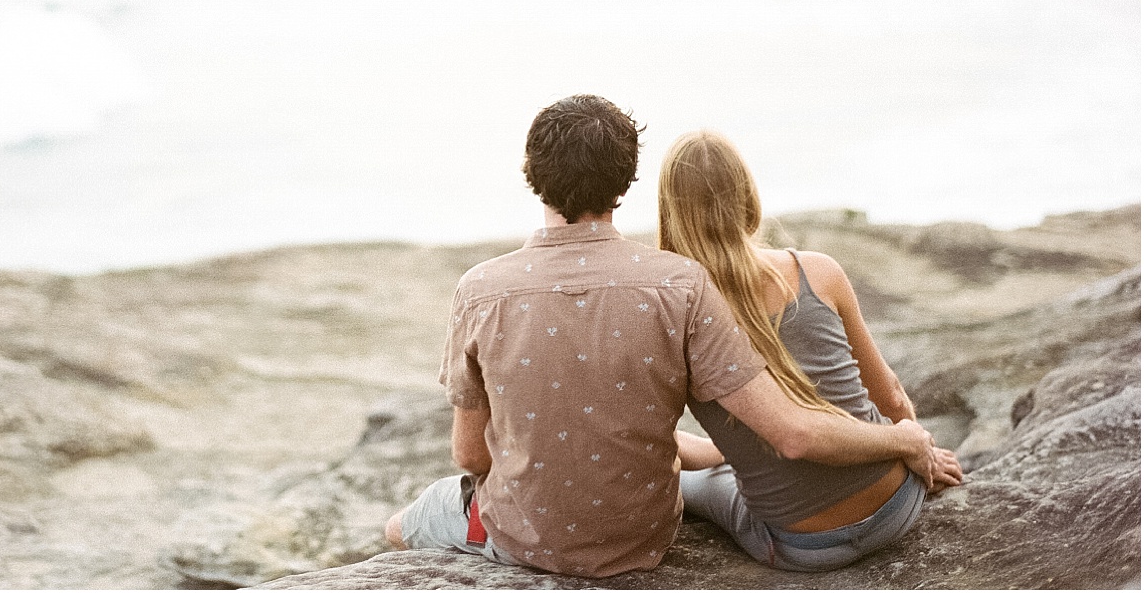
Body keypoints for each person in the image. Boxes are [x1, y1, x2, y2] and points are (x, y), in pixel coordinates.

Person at [384, 95, 947, 579]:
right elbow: (790, 422)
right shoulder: (678, 285)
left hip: (533, 539)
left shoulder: (480, 290)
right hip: (646, 536)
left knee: (404, 522)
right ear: (627, 181)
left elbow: (468, 454)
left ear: (532, 172)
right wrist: (907, 438)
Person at [659, 129, 962, 572]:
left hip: (804, 546)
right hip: (899, 503)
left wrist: (732, 450)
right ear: (747, 197)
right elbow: (891, 395)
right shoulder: (817, 272)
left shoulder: (675, 317)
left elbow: (655, 441)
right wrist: (924, 458)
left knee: (697, 482)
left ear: (671, 214)